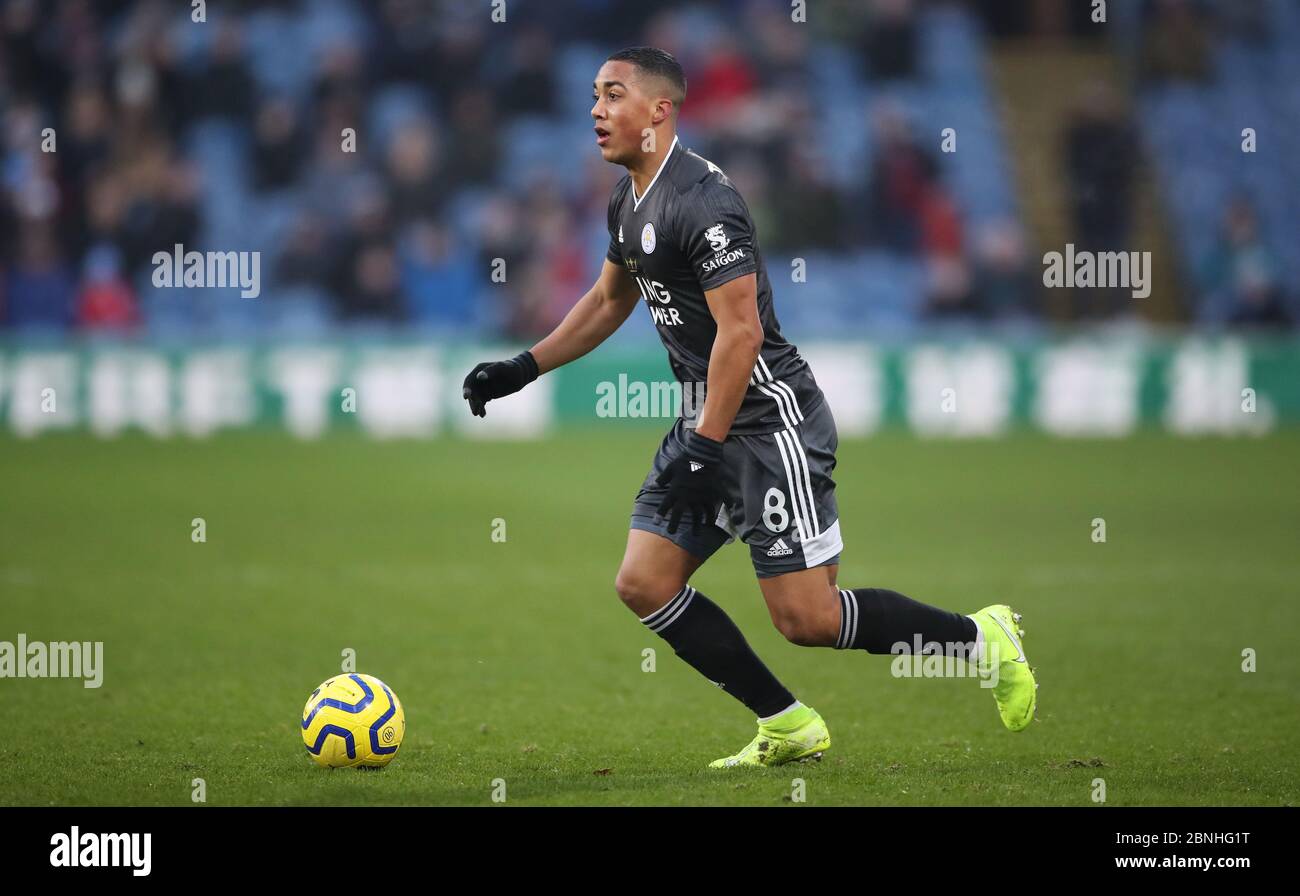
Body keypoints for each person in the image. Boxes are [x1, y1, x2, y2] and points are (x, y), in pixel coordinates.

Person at [462, 47, 1036, 767]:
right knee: (643, 582)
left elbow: (742, 331)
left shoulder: (704, 200)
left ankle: (982, 641)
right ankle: (787, 723)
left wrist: (705, 445)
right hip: (705, 421)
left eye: (612, 96)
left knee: (808, 619)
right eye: (594, 97)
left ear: (660, 110)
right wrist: (523, 366)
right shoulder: (628, 196)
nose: (595, 111)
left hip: (766, 422)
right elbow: (612, 298)